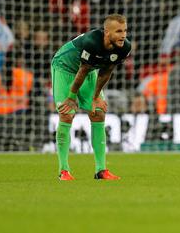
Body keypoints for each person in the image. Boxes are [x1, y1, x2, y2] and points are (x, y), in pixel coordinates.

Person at [51, 14, 131, 180]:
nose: (123, 35)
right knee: (66, 114)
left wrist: (96, 97)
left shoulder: (124, 47)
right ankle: (63, 170)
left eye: (125, 30)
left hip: (87, 72)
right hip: (65, 67)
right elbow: (82, 70)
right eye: (118, 31)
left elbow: (106, 71)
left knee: (99, 111)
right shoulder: (92, 42)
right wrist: (71, 97)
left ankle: (101, 170)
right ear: (107, 32)